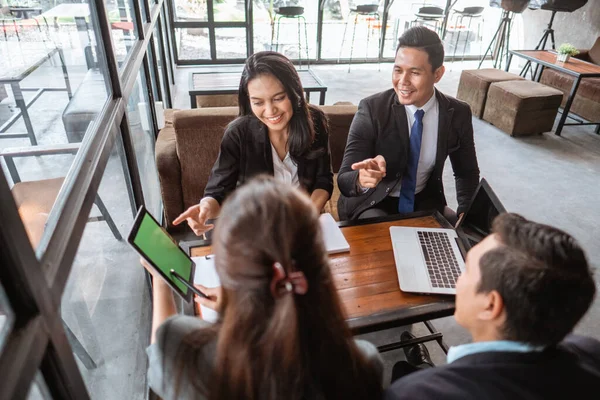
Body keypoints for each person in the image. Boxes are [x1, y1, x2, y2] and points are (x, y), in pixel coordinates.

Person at [146, 176, 384, 400]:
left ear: (227, 270)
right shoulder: (363, 364)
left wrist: (160, 279)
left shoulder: (182, 353)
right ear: (321, 266)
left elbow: (160, 355)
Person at [385, 213, 600, 400]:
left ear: (491, 305)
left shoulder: (413, 394)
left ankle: (424, 368)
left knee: (400, 370)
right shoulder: (590, 352)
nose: (457, 279)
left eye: (466, 269)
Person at [174, 51, 333, 236]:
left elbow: (324, 180)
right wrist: (205, 208)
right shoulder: (238, 134)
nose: (270, 110)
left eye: (279, 98)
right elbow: (218, 191)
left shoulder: (315, 121)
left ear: (294, 92)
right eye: (258, 102)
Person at [337, 26, 479, 222]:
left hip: (424, 201)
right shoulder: (372, 109)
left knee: (463, 244)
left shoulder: (458, 113)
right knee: (381, 244)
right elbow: (344, 179)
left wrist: (465, 211)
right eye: (398, 70)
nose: (402, 82)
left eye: (414, 72)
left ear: (438, 74)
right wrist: (361, 179)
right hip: (372, 202)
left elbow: (466, 172)